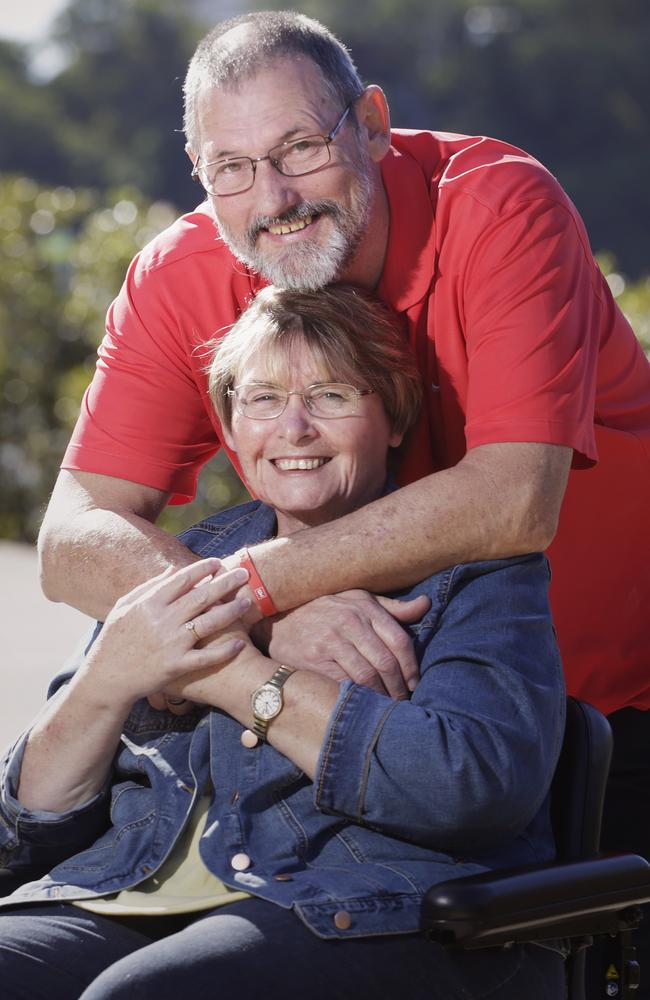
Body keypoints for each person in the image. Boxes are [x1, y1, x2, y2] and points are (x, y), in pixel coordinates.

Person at [35, 8, 650, 988]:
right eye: (231, 167)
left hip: (602, 690)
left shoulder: (494, 204)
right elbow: (73, 535)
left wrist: (251, 599)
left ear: (369, 122)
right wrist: (267, 617)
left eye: (301, 148)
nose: (271, 197)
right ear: (197, 170)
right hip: (356, 733)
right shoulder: (179, 276)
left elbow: (510, 503)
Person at [0, 286, 565, 999]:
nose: (293, 428)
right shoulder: (175, 564)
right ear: (231, 430)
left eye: (330, 396)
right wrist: (106, 678)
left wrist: (233, 671)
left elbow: (469, 786)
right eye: (262, 399)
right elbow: (23, 836)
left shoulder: (476, 572)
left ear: (394, 417)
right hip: (126, 893)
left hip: (361, 911)